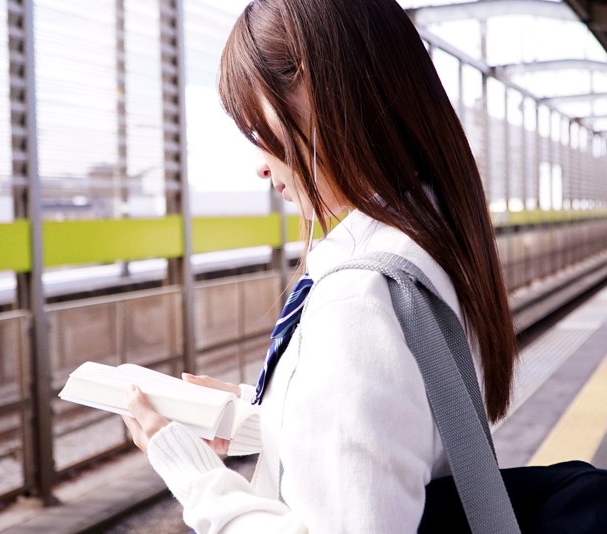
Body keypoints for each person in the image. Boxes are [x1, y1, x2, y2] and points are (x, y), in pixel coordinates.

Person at [122, 0, 517, 531]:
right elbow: (393, 429)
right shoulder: (430, 242)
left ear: (323, 92)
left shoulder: (358, 299)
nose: (260, 164)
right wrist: (260, 415)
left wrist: (194, 478)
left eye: (261, 129)